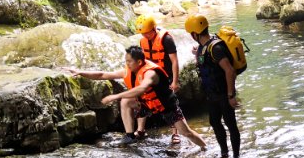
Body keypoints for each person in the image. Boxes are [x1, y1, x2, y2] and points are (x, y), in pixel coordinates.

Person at [67, 45, 206, 149]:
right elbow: (103, 75)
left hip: (165, 106)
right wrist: (80, 72)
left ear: (139, 62)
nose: (127, 64)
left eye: (129, 61)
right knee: (126, 101)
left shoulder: (150, 73)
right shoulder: (129, 71)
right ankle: (129, 136)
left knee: (186, 132)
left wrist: (115, 96)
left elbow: (142, 88)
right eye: (126, 61)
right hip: (146, 105)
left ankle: (204, 146)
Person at [185, 13, 241, 158]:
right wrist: (196, 53)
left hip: (223, 93)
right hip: (211, 94)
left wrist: (231, 95)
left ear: (194, 34)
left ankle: (236, 157)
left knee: (231, 124)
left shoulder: (216, 48)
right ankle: (224, 153)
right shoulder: (203, 47)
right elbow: (206, 63)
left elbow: (230, 71)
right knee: (214, 122)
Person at [135, 14, 181, 144]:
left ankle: (175, 133)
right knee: (142, 100)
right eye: (142, 33)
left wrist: (175, 81)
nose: (145, 36)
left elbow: (174, 61)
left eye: (147, 33)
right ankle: (140, 130)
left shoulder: (166, 39)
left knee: (170, 105)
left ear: (154, 28)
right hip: (151, 76)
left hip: (166, 76)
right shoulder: (142, 41)